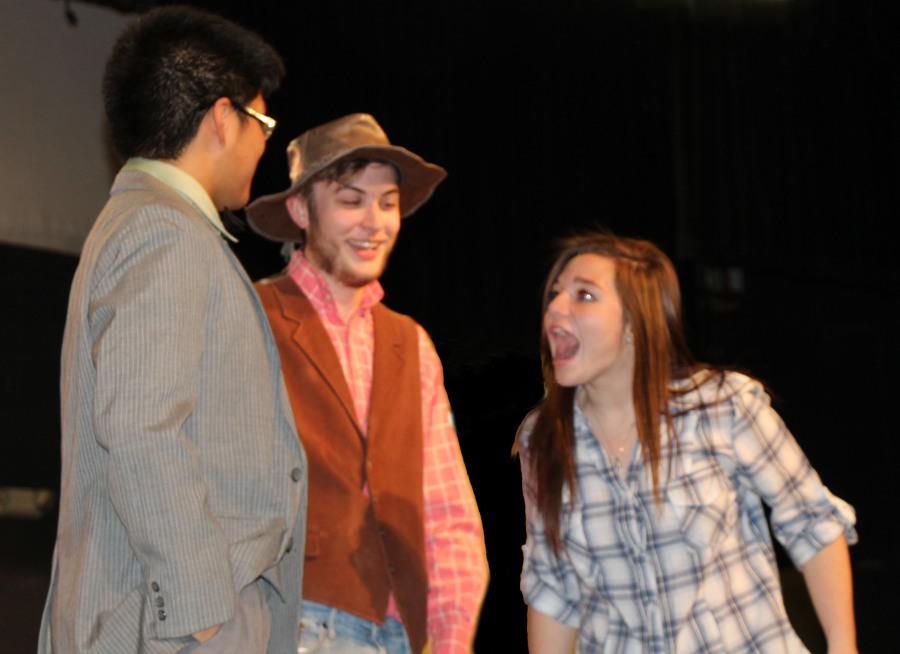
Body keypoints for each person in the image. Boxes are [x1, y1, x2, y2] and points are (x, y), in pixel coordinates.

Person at [38, 7, 307, 653]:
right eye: (262, 122)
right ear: (222, 118)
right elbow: (140, 427)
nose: (265, 142)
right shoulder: (164, 233)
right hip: (177, 626)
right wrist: (203, 608)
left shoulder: (142, 226)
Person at [517, 232, 858, 653]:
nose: (555, 307)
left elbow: (812, 523)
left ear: (634, 323)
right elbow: (553, 588)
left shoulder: (723, 405)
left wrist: (844, 646)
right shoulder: (544, 437)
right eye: (554, 294)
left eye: (584, 295)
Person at [245, 113, 489, 654]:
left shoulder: (411, 343)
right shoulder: (254, 317)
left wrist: (449, 643)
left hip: (399, 634)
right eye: (351, 201)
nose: (374, 222)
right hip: (292, 621)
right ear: (301, 209)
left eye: (388, 202)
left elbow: (448, 515)